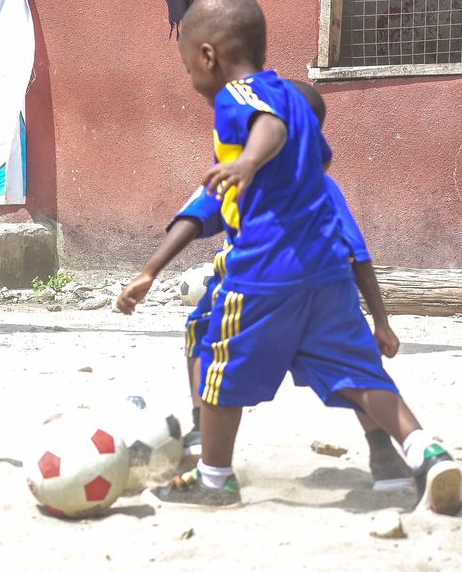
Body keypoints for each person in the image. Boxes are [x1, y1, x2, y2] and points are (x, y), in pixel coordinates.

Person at [121, 0, 462, 514]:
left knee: (217, 361)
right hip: (326, 275)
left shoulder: (239, 97)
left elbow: (269, 127)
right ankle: (426, 454)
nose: (191, 80)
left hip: (263, 271)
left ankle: (214, 477)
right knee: (361, 373)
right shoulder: (297, 104)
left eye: (188, 68)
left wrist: (247, 163)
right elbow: (310, 160)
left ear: (208, 56)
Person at [121, 81, 411, 491]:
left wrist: (150, 270)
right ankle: (386, 455)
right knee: (356, 369)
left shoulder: (240, 174)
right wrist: (381, 321)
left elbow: (194, 216)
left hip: (256, 295)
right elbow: (357, 255)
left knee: (204, 331)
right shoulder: (323, 187)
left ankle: (206, 443)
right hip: (326, 297)